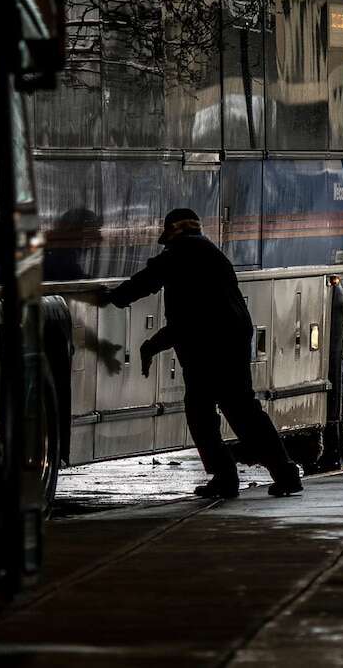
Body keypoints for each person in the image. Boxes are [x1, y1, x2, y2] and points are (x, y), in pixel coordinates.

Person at [104, 208, 304, 499]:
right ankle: (283, 473)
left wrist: (113, 299)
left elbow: (148, 289)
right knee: (244, 410)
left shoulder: (179, 255)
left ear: (172, 231)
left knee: (201, 413)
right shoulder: (211, 253)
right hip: (231, 340)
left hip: (207, 346)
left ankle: (226, 477)